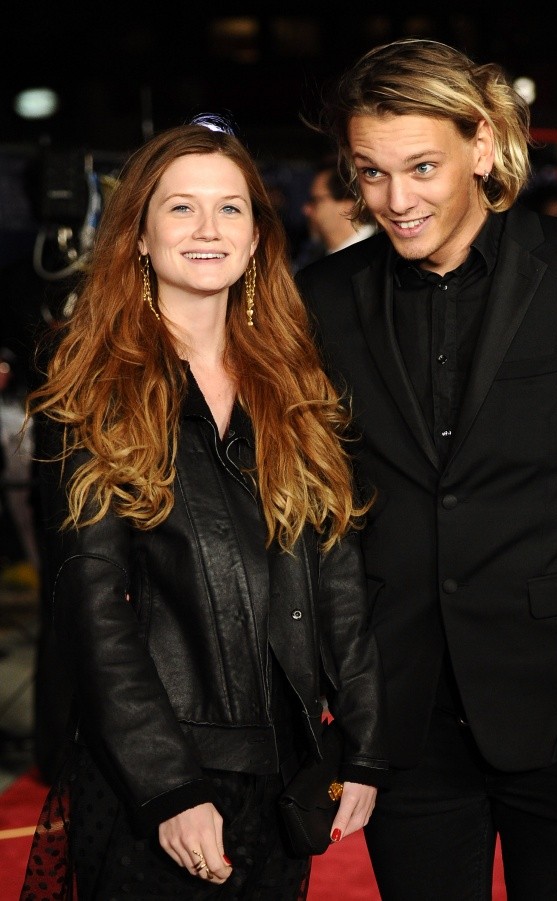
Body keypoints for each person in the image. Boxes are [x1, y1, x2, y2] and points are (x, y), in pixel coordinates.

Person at [19, 114, 388, 901]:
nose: (208, 228)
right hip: (154, 777)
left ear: (257, 237)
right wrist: (167, 785)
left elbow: (338, 572)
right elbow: (94, 607)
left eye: (230, 208)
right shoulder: (91, 386)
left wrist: (363, 744)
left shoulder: (297, 384)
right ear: (139, 238)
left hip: (283, 774)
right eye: (181, 207)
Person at [295, 38, 557, 901]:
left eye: (421, 166)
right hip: (403, 711)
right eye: (372, 172)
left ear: (481, 144)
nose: (396, 200)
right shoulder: (323, 298)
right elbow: (320, 496)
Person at [294, 157, 377, 269]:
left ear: (349, 206)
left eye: (315, 200)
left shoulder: (381, 256)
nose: (306, 209)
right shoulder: (312, 262)